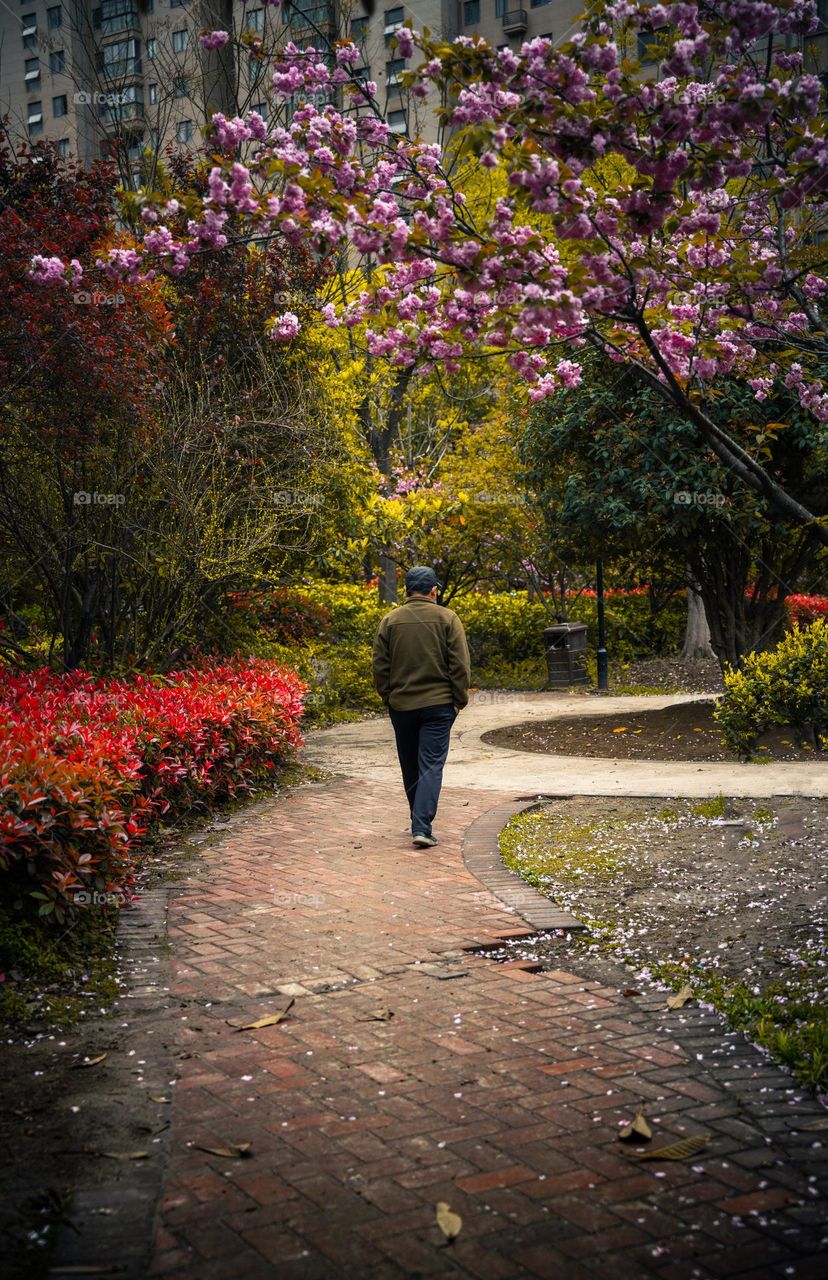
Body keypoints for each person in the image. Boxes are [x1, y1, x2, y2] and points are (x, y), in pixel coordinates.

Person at [372, 566, 471, 848]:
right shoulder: (448, 618)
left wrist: (388, 696)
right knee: (430, 765)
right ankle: (422, 826)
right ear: (434, 590)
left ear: (406, 590)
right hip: (439, 705)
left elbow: (380, 665)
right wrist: (458, 701)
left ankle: (418, 822)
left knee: (410, 765)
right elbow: (460, 666)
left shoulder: (390, 620)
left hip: (402, 706)